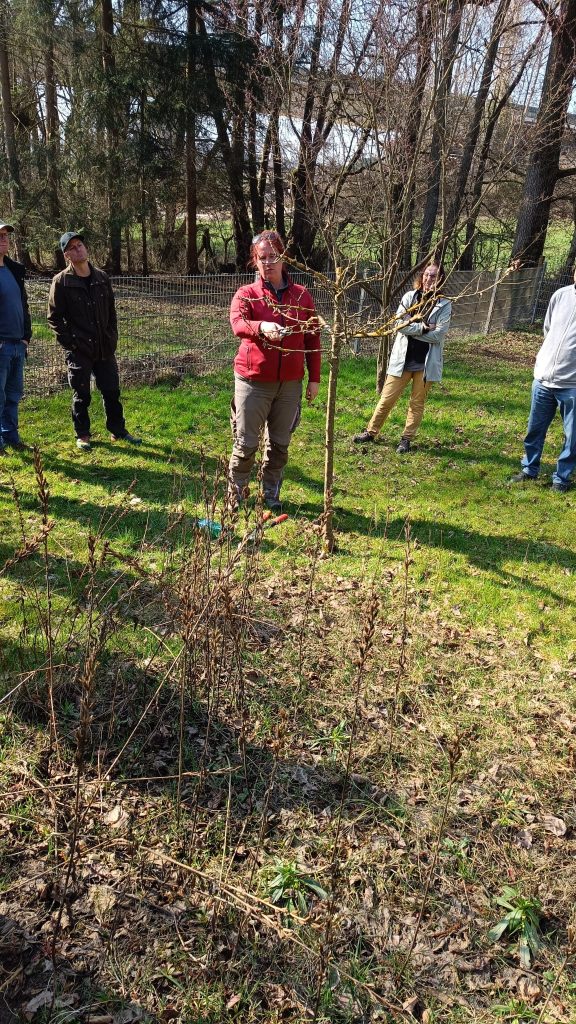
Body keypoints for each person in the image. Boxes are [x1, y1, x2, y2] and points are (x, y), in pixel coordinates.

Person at [228, 230, 321, 511]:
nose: (268, 262)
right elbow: (238, 324)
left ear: (284, 258)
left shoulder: (301, 296)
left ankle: (270, 493)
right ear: (255, 261)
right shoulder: (247, 294)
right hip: (253, 382)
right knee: (246, 444)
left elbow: (312, 338)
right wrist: (262, 327)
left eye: (274, 256)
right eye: (263, 257)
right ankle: (236, 495)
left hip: (290, 384)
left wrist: (314, 378)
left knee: (280, 445)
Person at [47, 231, 141, 451]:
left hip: (104, 347)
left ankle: (118, 430)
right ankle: (83, 434)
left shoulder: (101, 278)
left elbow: (111, 311)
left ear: (85, 248)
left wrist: (112, 337)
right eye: (72, 247)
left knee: (112, 391)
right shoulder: (61, 282)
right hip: (79, 349)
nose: (78, 249)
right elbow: (54, 318)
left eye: (80, 245)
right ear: (66, 255)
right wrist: (71, 343)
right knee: (82, 394)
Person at [353, 263, 451, 452]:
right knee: (386, 399)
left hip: (425, 363)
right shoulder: (409, 298)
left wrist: (411, 329)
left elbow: (438, 335)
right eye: (427, 274)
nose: (429, 279)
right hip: (403, 359)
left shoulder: (444, 304)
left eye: (434, 276)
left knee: (416, 403)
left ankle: (406, 439)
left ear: (440, 279)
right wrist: (423, 328)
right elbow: (399, 325)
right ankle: (371, 432)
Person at [509, 266, 576, 493]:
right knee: (535, 430)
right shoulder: (560, 295)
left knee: (572, 437)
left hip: (572, 384)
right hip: (544, 379)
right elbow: (548, 330)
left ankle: (562, 478)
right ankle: (529, 468)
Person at [0, 222, 31, 454]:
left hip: (17, 345)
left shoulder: (13, 270)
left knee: (12, 396)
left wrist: (25, 338)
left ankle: (10, 436)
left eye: (5, 235)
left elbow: (24, 306)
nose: (4, 239)